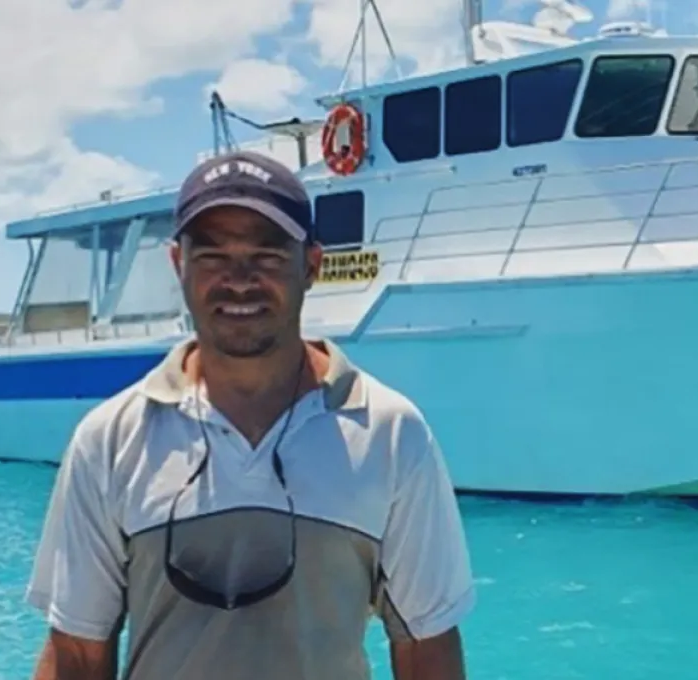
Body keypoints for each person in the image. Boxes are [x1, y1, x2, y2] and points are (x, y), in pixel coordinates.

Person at [25, 150, 475, 680]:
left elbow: (427, 648)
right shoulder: (109, 439)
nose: (239, 280)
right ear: (179, 265)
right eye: (212, 255)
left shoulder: (391, 433)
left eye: (268, 255)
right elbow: (77, 654)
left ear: (311, 266)